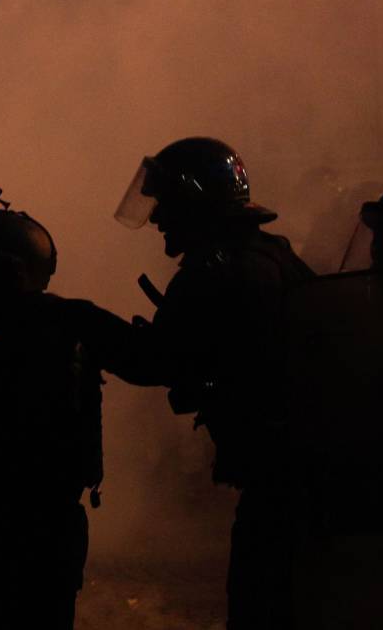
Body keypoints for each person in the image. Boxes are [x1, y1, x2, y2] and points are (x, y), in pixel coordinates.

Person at [70, 137, 313, 628]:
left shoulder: (213, 272)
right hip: (303, 467)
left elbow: (151, 363)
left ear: (194, 201)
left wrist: (82, 321)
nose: (157, 218)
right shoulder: (270, 254)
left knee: (261, 607)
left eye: (165, 203)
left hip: (279, 477)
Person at [0, 196, 103, 630]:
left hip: (25, 534)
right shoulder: (48, 329)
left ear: (6, 272)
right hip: (38, 529)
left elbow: (5, 433)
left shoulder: (30, 342)